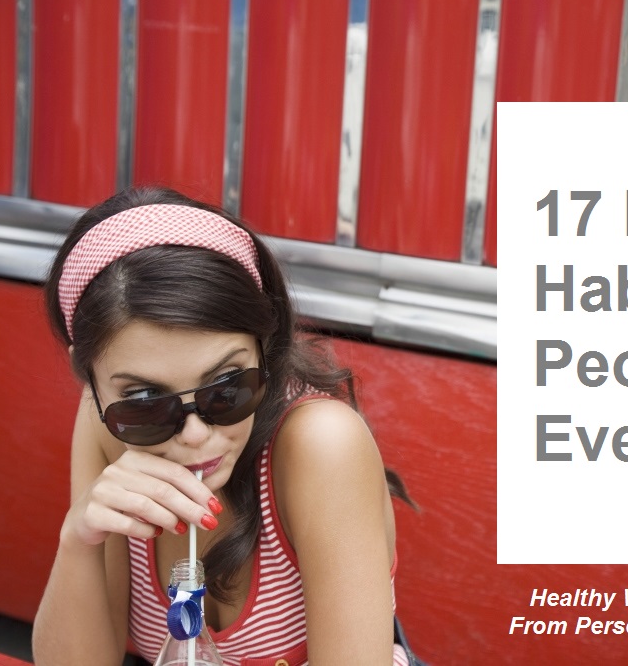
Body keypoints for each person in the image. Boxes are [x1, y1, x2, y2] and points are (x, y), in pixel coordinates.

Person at [31, 186, 415, 665]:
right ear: (90, 378)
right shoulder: (103, 425)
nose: (194, 434)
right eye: (146, 400)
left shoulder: (320, 444)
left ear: (264, 344)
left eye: (227, 385)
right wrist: (78, 540)